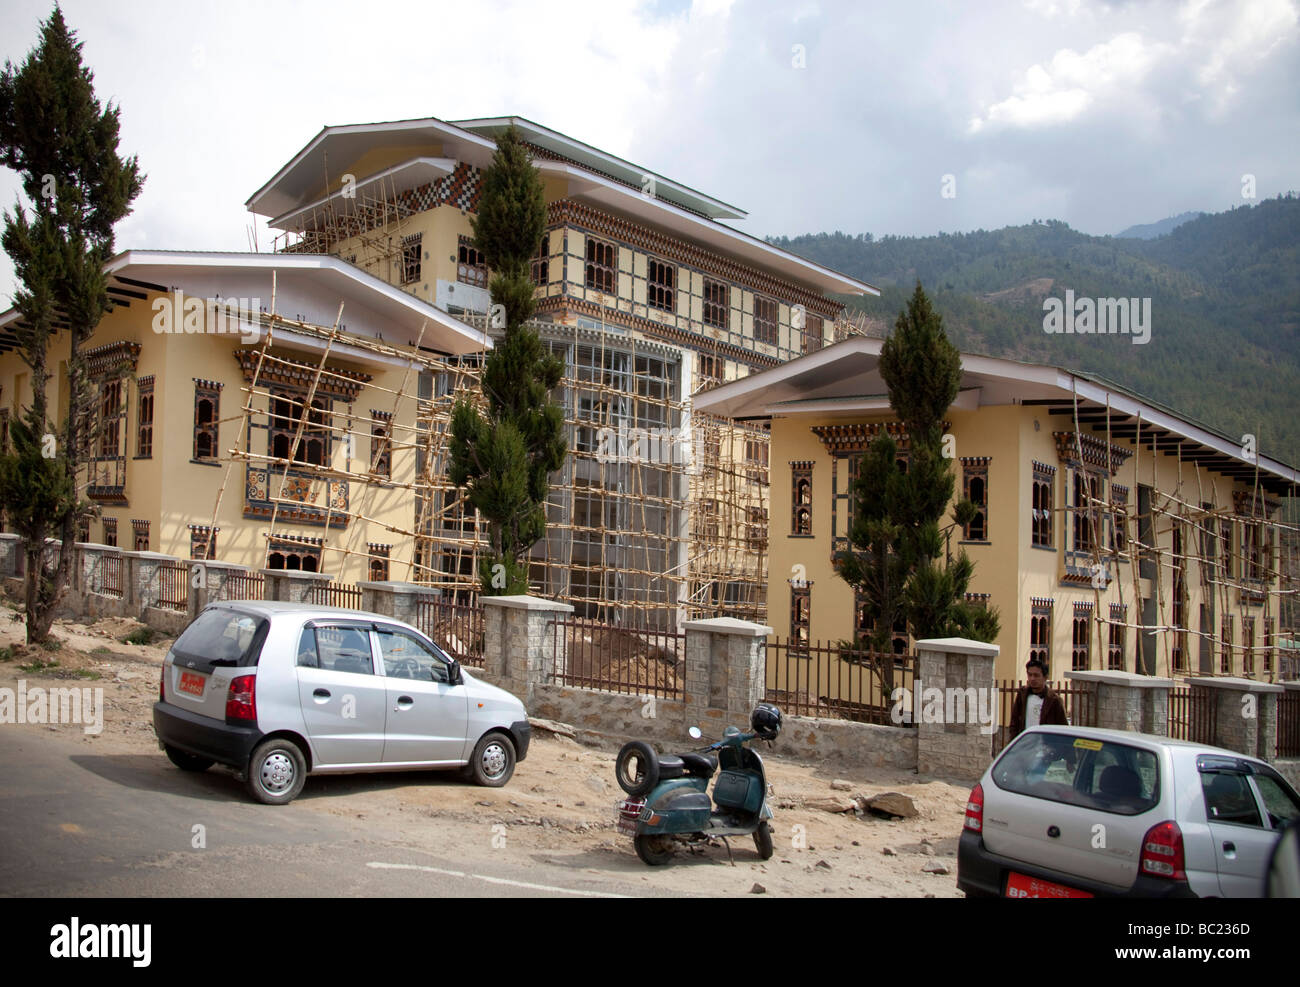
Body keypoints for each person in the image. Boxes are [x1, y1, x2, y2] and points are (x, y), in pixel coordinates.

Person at [1009, 658, 1068, 739]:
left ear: (1045, 677)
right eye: (1030, 675)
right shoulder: (1022, 695)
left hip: (1045, 746)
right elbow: (1014, 721)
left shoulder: (1054, 700)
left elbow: (1063, 727)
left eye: (1036, 675)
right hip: (1025, 745)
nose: (1032, 679)